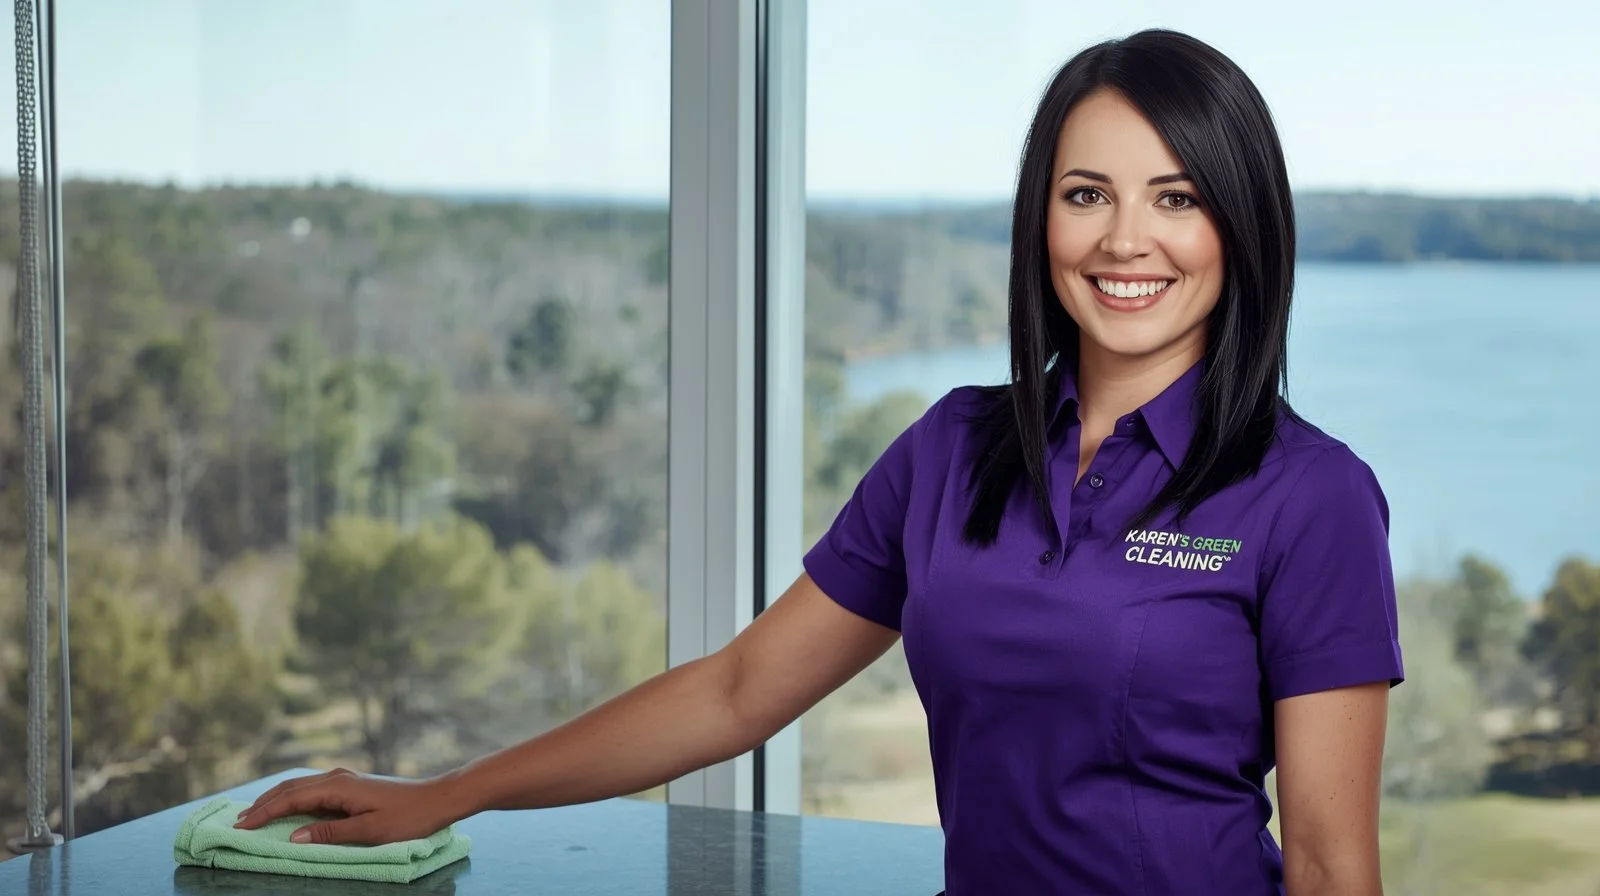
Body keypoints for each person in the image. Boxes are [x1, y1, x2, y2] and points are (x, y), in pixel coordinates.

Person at [235, 28, 1403, 895]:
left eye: (1177, 197)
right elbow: (738, 690)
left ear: (1240, 227)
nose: (1123, 240)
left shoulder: (1310, 496)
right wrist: (451, 790)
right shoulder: (952, 448)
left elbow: (1326, 858)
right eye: (1084, 194)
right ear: (1039, 222)